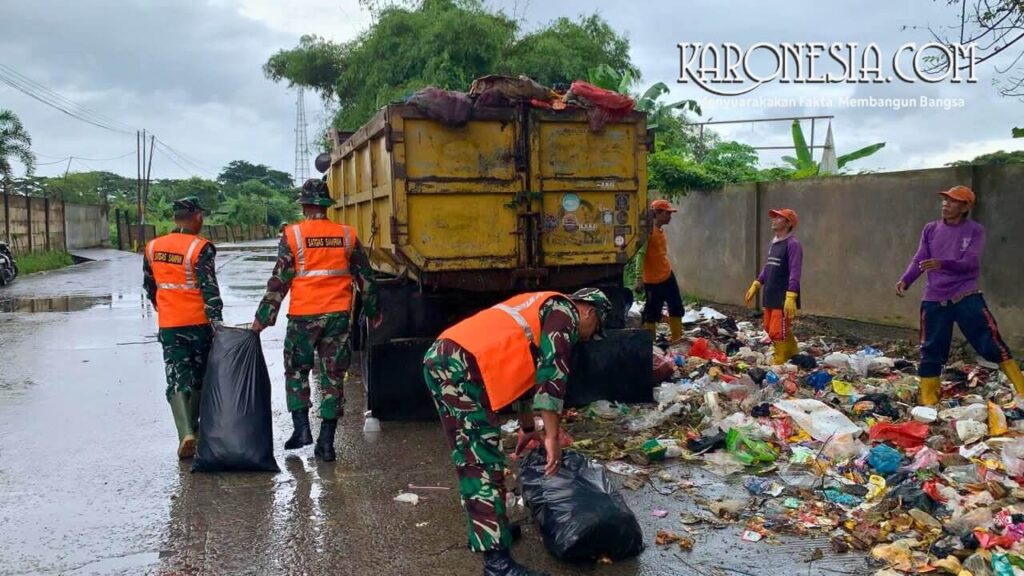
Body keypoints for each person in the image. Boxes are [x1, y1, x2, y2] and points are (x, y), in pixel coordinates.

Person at [423, 288, 612, 576]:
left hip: (451, 360)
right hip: (460, 366)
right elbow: (552, 378)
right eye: (595, 330)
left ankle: (490, 529)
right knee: (481, 462)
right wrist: (552, 438)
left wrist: (527, 427)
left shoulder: (541, 309)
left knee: (476, 456)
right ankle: (497, 564)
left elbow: (526, 377)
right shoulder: (564, 313)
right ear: (589, 311)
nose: (588, 339)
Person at [251, 178, 381, 462]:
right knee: (333, 377)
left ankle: (301, 430)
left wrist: (263, 319)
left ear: (305, 206)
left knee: (297, 371)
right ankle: (327, 442)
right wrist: (373, 312)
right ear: (326, 205)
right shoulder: (347, 235)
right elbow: (366, 279)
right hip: (337, 317)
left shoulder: (293, 234)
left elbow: (279, 281)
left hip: (303, 317)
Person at [896, 185, 1024, 405]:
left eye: (953, 201)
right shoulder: (931, 229)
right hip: (935, 298)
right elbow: (920, 258)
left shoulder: (974, 230)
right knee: (931, 348)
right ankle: (929, 400)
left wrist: (942, 263)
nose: (946, 204)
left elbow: (970, 263)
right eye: (945, 200)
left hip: (966, 295)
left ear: (965, 207)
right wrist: (906, 280)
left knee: (990, 343)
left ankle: (1021, 388)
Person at [143, 196, 223, 459]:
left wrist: (163, 306)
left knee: (176, 375)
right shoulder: (201, 247)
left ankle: (185, 433)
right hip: (198, 323)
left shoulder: (153, 247)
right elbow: (209, 288)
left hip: (170, 323)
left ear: (175, 218)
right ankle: (195, 430)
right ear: (197, 217)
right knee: (199, 375)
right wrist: (217, 322)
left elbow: (150, 286)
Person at [745, 208, 803, 365]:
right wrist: (757, 283)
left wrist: (791, 295)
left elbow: (795, 271)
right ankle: (792, 351)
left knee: (777, 329)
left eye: (779, 217)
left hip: (783, 294)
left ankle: (780, 357)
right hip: (770, 292)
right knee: (769, 326)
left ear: (788, 223)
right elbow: (769, 266)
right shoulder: (774, 243)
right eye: (774, 217)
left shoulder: (793, 244)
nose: (774, 219)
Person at [633, 199, 684, 342]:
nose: (670, 216)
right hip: (652, 280)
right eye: (667, 213)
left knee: (676, 307)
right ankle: (651, 343)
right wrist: (638, 278)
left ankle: (677, 339)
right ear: (657, 213)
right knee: (652, 312)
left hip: (667, 274)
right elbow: (640, 255)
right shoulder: (647, 233)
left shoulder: (660, 231)